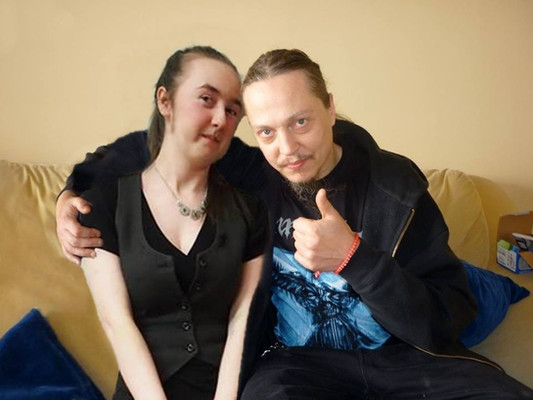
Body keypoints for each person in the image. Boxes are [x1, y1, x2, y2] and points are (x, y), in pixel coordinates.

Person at [56, 49, 533, 398]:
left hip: (411, 362)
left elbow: (446, 319)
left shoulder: (396, 188)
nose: (286, 148)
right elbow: (156, 146)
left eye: (300, 122)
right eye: (266, 131)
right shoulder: (250, 176)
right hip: (296, 368)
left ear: (330, 107)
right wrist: (70, 194)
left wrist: (354, 259)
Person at [71, 45, 268, 400]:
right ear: (165, 101)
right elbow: (116, 321)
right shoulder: (104, 204)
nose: (221, 119)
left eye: (232, 109)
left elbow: (242, 320)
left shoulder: (250, 210)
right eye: (206, 99)